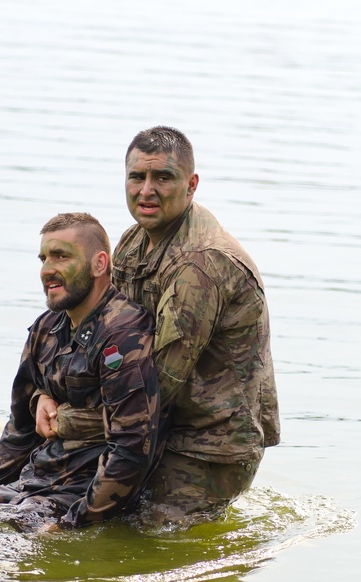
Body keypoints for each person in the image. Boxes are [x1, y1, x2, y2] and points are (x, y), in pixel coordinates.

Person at [102, 125, 281, 523]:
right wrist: (48, 395)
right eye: (137, 177)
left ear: (191, 184)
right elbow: (104, 337)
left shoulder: (201, 263)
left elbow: (157, 384)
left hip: (208, 447)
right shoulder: (134, 240)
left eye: (163, 177)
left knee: (142, 533)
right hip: (158, 427)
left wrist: (67, 417)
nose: (146, 190)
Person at [0, 212, 169, 530]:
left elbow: (132, 448)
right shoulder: (45, 328)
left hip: (74, 498)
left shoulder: (123, 334)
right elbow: (19, 428)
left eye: (61, 256)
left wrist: (74, 522)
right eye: (44, 258)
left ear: (99, 264)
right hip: (32, 487)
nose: (47, 270)